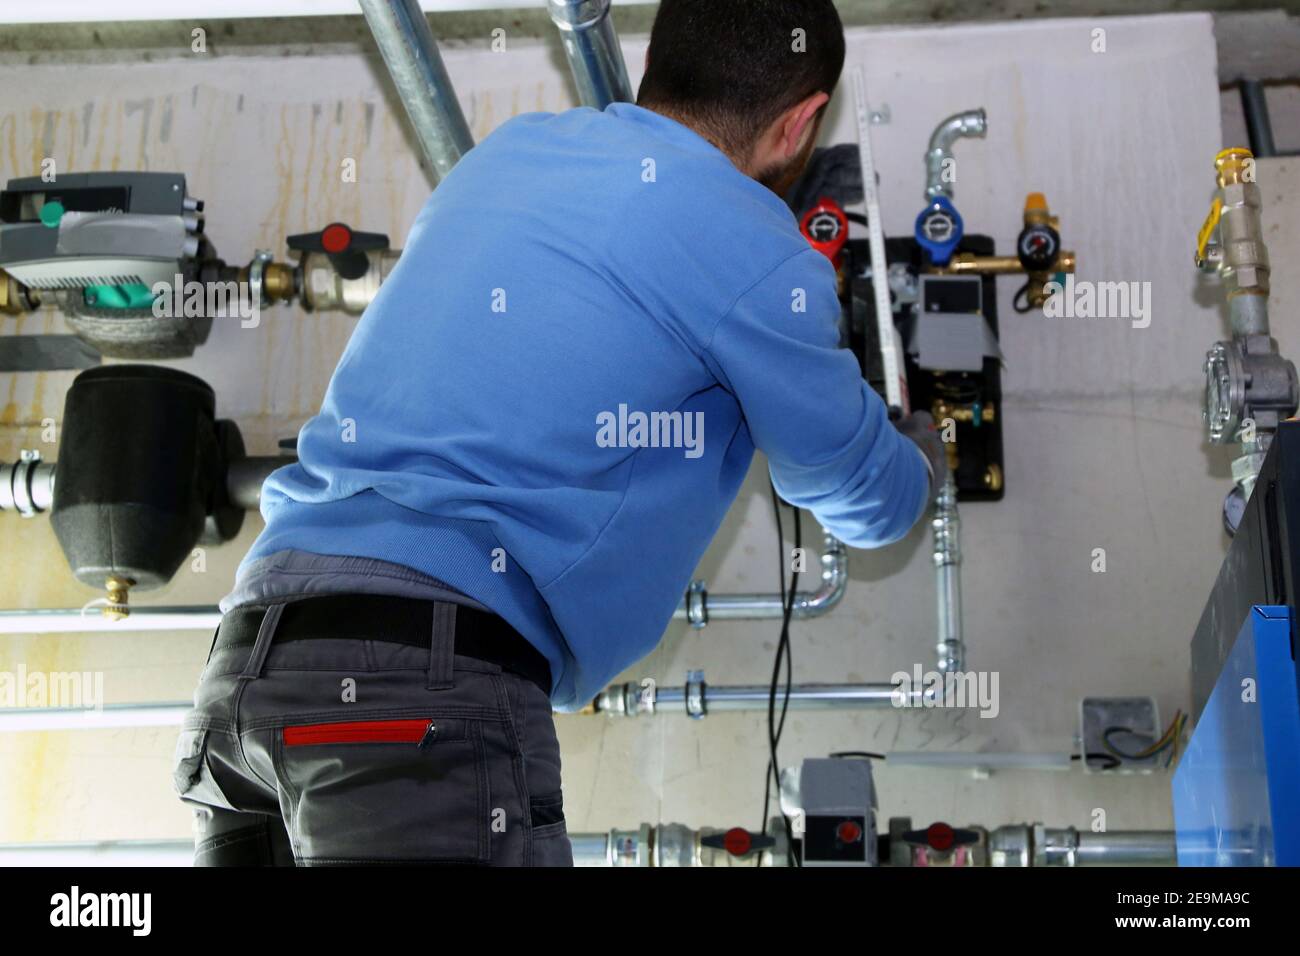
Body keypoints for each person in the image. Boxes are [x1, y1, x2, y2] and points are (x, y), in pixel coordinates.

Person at [173, 0, 944, 866]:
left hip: (248, 665)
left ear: (660, 59)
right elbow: (861, 498)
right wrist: (920, 452)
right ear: (803, 120)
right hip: (415, 684)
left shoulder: (507, 155)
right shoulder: (754, 249)